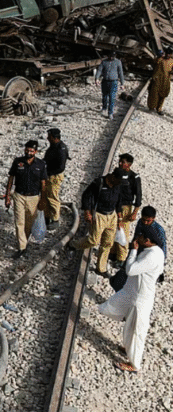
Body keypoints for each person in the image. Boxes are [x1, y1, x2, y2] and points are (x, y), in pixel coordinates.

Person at [98, 223, 165, 372]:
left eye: (140, 237)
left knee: (136, 330)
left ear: (147, 240)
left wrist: (133, 251)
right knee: (129, 324)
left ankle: (134, 364)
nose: (137, 239)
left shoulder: (152, 256)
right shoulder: (156, 251)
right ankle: (128, 349)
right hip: (134, 294)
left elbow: (131, 269)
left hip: (140, 299)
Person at [70, 171, 123, 274]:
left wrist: (119, 219)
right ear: (112, 177)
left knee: (108, 243)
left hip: (112, 216)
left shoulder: (118, 186)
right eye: (118, 181)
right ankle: (73, 244)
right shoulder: (99, 183)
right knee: (93, 240)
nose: (119, 183)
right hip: (99, 215)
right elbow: (86, 196)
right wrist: (87, 212)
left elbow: (119, 202)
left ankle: (101, 268)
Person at [4, 140, 48, 258]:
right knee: (19, 222)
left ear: (36, 151)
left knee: (29, 223)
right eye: (27, 150)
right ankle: (22, 247)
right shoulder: (18, 162)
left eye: (31, 151)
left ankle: (24, 241)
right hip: (19, 195)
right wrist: (7, 195)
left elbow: (43, 183)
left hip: (34, 197)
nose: (29, 152)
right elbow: (11, 178)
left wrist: (43, 200)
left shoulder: (41, 164)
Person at [114, 153, 143, 263]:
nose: (120, 163)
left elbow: (138, 196)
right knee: (113, 229)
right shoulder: (116, 174)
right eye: (120, 161)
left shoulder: (133, 177)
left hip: (125, 207)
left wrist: (135, 212)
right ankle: (113, 252)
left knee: (123, 231)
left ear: (129, 164)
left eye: (123, 162)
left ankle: (121, 257)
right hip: (114, 205)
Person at [42, 128, 70, 231]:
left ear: (55, 138)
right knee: (45, 196)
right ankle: (47, 216)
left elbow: (61, 167)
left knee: (52, 197)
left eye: (49, 137)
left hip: (54, 176)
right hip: (49, 174)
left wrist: (49, 173)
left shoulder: (61, 149)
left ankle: (55, 219)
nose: (47, 139)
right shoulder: (53, 147)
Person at [95, 52, 124, 119]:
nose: (111, 58)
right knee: (104, 96)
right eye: (110, 56)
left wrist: (122, 83)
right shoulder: (104, 62)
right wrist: (97, 78)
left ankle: (110, 113)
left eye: (112, 57)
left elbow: (120, 73)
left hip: (114, 82)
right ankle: (104, 108)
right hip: (105, 81)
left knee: (112, 97)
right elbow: (99, 70)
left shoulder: (118, 62)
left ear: (115, 56)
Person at [147, 50, 173, 114]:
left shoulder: (172, 61)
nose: (168, 55)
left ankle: (159, 109)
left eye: (169, 54)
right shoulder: (160, 59)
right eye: (167, 54)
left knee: (163, 95)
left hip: (166, 80)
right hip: (157, 79)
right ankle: (152, 108)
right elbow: (155, 61)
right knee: (154, 94)